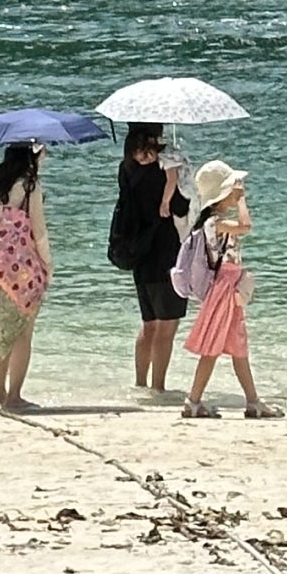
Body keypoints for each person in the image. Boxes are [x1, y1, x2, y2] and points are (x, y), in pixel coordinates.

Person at [178, 159, 281, 420]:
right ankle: (195, 401)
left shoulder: (212, 221)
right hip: (224, 288)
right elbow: (246, 226)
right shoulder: (214, 222)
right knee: (213, 346)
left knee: (237, 345)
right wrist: (242, 200)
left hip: (226, 287)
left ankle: (251, 401)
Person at [113, 121, 187, 396]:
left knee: (149, 324)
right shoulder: (163, 172)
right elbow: (181, 207)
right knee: (167, 325)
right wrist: (177, 172)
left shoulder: (126, 170)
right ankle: (158, 387)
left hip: (140, 254)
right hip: (167, 254)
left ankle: (140, 384)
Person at [0, 141, 52, 411]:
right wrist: (48, 264)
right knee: (23, 331)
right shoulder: (30, 186)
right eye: (42, 149)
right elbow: (39, 232)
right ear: (31, 154)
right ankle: (14, 395)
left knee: (1, 332)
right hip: (24, 269)